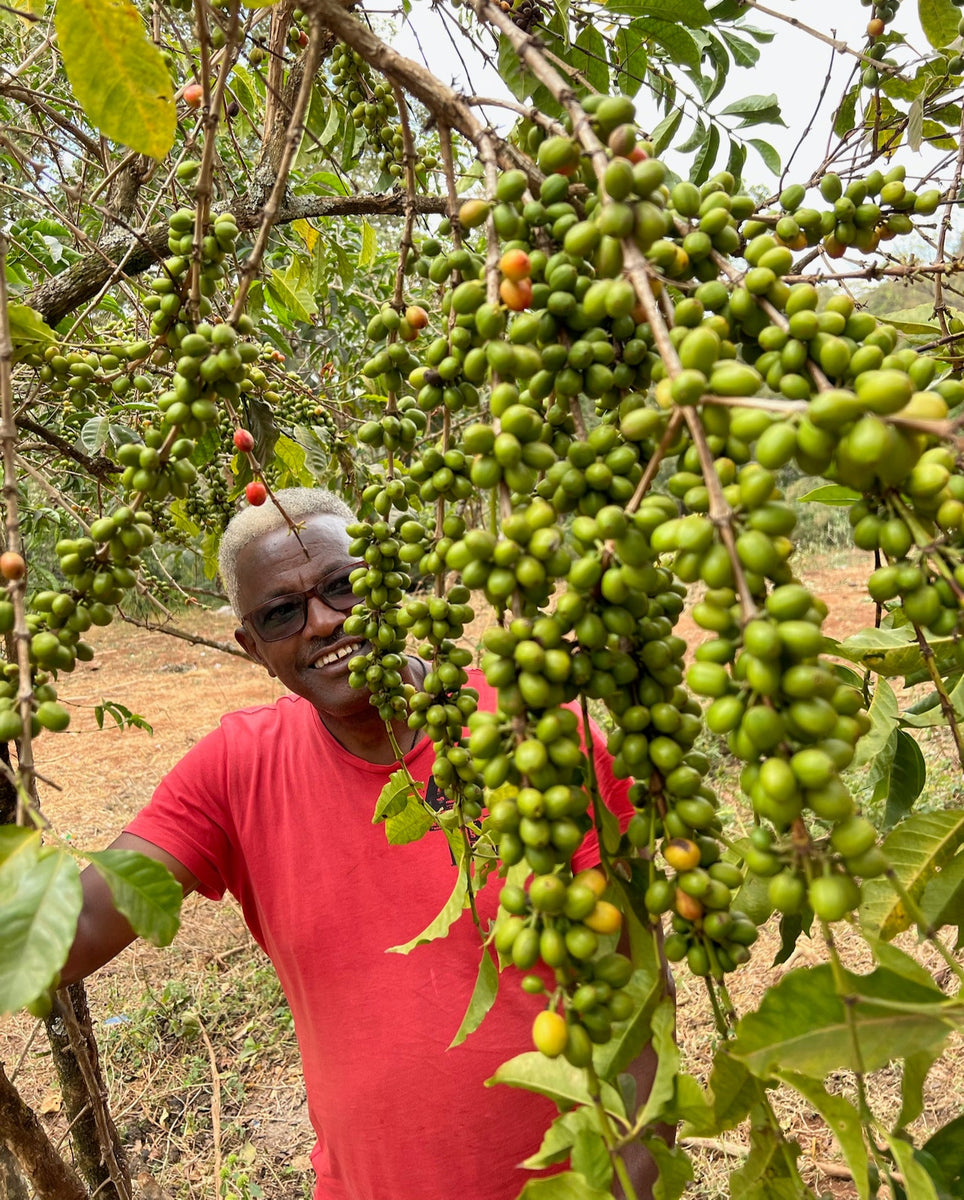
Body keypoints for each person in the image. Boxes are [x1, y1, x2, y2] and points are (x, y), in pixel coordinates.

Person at [63, 487, 664, 1200]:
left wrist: (636, 1169)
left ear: (392, 581)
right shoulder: (235, 771)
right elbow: (78, 927)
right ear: (252, 647)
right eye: (282, 612)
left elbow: (638, 976)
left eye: (345, 586)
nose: (323, 622)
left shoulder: (539, 736)